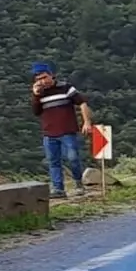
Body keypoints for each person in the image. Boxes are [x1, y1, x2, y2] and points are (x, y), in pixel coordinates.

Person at [30, 62, 92, 198]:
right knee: (53, 162)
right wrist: (36, 95)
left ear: (51, 75)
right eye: (38, 79)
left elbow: (82, 102)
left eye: (44, 77)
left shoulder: (66, 88)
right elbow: (36, 112)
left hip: (67, 131)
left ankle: (78, 184)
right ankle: (58, 189)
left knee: (73, 158)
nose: (42, 81)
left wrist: (86, 122)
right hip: (49, 133)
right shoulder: (40, 94)